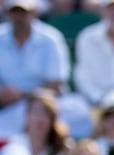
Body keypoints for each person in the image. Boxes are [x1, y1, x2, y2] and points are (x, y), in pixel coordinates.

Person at [0, 0, 69, 138]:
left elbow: (54, 85)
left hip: (45, 104)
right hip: (5, 107)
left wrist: (22, 95)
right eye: (15, 13)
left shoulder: (51, 39)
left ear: (34, 13)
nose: (20, 18)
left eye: (24, 12)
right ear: (7, 14)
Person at [8, 90, 71, 155]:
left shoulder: (64, 149)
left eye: (45, 114)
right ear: (27, 116)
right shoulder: (12, 146)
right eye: (36, 112)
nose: (39, 119)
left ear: (53, 120)